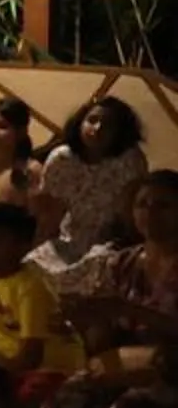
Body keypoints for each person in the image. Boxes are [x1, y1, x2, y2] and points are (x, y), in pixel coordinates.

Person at [36, 168, 178, 408]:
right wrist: (83, 321)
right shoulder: (122, 263)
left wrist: (129, 311)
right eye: (143, 204)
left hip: (169, 369)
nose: (151, 214)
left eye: (164, 205)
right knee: (58, 405)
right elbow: (101, 341)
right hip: (128, 365)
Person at [0, 204, 82, 402]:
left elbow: (31, 357)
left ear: (22, 246)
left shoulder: (30, 287)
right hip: (7, 362)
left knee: (28, 395)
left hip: (50, 366)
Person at [31, 98, 151, 290]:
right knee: (32, 267)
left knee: (100, 267)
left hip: (111, 242)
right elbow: (50, 215)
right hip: (70, 239)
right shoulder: (62, 159)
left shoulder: (130, 161)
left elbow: (131, 215)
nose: (97, 128)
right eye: (92, 120)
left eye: (108, 125)